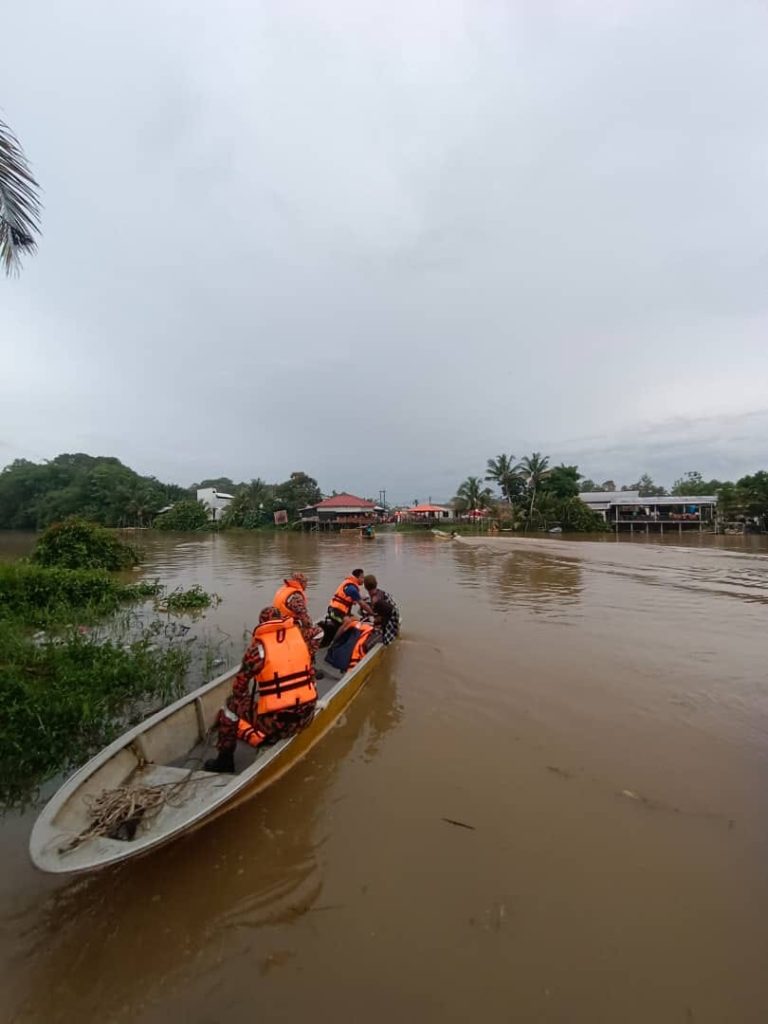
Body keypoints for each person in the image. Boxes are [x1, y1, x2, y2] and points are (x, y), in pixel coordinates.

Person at [204, 606, 317, 773]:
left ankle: (224, 760)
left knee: (231, 705)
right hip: (307, 717)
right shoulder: (300, 638)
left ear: (262, 624)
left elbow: (239, 689)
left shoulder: (258, 649)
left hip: (279, 725)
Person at [323, 568, 372, 644]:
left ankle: (351, 638)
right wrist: (372, 613)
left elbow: (356, 597)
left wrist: (364, 598)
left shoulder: (350, 584)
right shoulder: (352, 589)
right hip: (335, 611)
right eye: (362, 577)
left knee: (357, 620)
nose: (363, 579)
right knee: (348, 621)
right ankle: (334, 642)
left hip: (342, 611)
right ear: (357, 578)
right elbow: (362, 604)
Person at [362, 574, 400, 645]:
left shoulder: (375, 601)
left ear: (365, 587)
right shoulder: (383, 593)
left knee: (365, 644)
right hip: (394, 622)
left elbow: (378, 621)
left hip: (387, 630)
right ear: (376, 584)